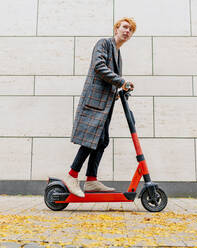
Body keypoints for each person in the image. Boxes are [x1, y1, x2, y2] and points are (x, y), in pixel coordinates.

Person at [64, 18, 136, 197]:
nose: (127, 31)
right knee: (91, 140)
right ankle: (71, 175)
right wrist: (122, 81)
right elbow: (99, 67)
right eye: (125, 27)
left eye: (131, 30)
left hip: (104, 105)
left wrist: (119, 92)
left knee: (102, 141)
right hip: (94, 102)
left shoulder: (118, 54)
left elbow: (109, 81)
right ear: (116, 29)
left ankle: (91, 180)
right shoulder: (104, 43)